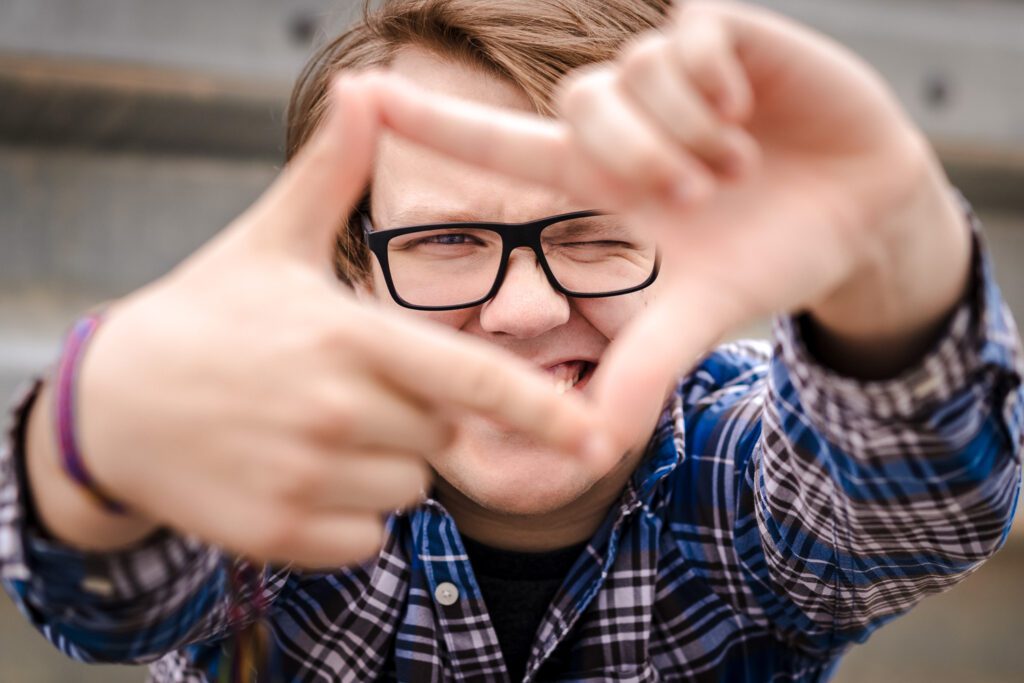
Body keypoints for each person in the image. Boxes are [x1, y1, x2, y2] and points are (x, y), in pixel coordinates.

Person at [1, 0, 1021, 680]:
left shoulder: (737, 464)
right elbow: (107, 596)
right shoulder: (274, 461)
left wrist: (892, 249)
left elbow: (913, 502)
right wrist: (89, 434)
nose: (525, 310)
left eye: (593, 230)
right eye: (447, 239)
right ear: (353, 268)